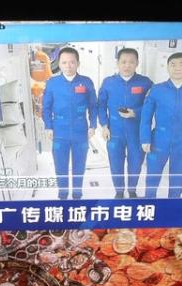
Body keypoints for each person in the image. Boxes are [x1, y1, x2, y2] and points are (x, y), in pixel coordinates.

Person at [140, 52, 182, 198]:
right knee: (152, 177)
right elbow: (145, 118)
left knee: (177, 179)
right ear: (167, 67)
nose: (177, 67)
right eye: (173, 64)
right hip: (158, 140)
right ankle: (149, 204)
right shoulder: (156, 90)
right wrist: (145, 138)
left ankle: (173, 208)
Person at [42, 47, 97, 200]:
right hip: (59, 130)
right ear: (59, 64)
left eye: (72, 62)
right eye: (64, 62)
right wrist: (48, 126)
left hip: (81, 130)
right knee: (61, 165)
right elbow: (46, 107)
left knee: (79, 164)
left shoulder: (86, 82)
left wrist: (93, 125)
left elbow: (93, 105)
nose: (68, 65)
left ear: (78, 63)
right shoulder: (52, 83)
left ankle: (77, 194)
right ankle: (63, 193)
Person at [98, 48, 153, 198]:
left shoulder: (145, 83)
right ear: (117, 63)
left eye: (131, 62)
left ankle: (132, 190)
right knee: (116, 162)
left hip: (137, 131)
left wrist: (136, 112)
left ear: (137, 64)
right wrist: (104, 126)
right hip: (115, 131)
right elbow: (101, 105)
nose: (127, 65)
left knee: (135, 162)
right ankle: (119, 191)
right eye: (123, 62)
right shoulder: (108, 82)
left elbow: (152, 106)